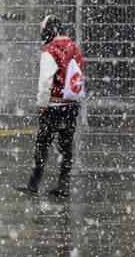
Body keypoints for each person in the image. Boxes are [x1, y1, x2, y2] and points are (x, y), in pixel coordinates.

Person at [15, 15, 85, 198]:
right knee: (66, 146)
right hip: (71, 104)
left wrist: (41, 105)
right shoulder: (74, 48)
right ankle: (63, 184)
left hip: (53, 105)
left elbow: (46, 81)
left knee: (42, 145)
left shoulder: (50, 50)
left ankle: (33, 184)